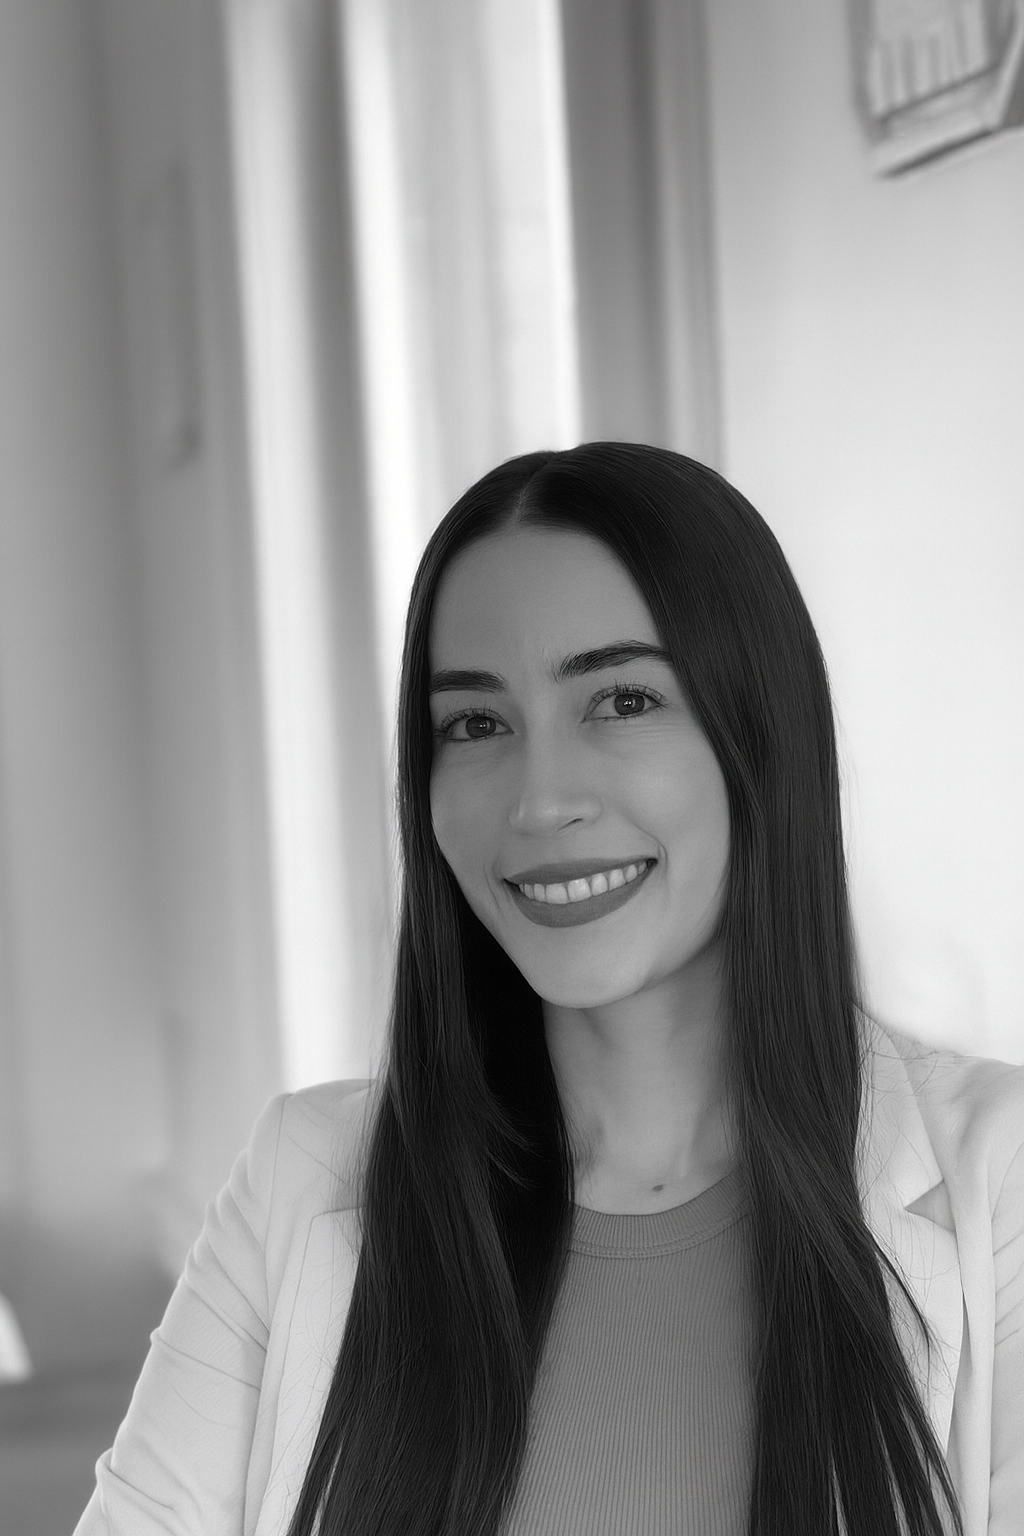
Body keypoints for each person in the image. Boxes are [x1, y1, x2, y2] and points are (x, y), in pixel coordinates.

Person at [74, 443, 1023, 1536]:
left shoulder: (996, 1181)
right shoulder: (300, 1181)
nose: (540, 800)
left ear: (761, 736)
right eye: (476, 724)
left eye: (620, 700)